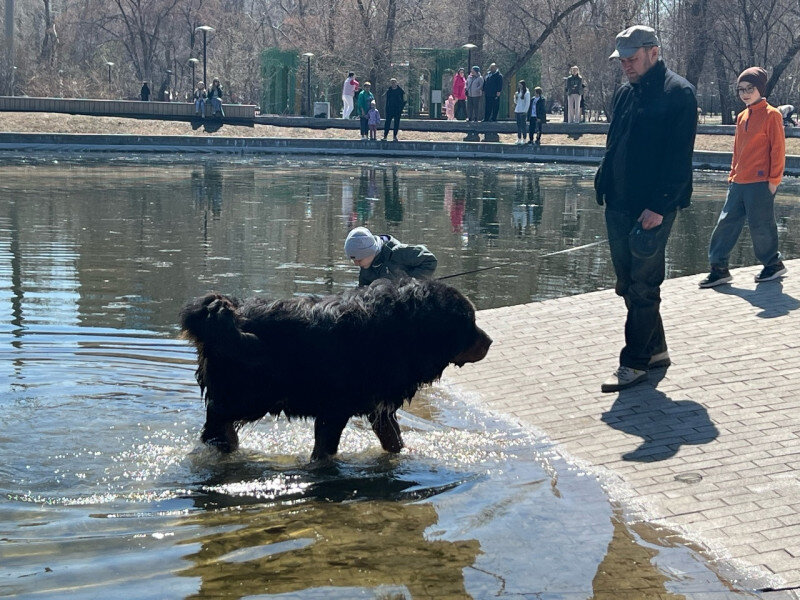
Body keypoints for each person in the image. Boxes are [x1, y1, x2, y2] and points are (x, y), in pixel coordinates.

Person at [593, 25, 698, 393]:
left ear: (654, 52)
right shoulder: (626, 91)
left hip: (652, 209)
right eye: (621, 60)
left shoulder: (679, 93)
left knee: (643, 285)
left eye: (632, 59)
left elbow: (679, 160)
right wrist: (603, 183)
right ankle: (656, 351)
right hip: (618, 203)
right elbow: (615, 143)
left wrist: (659, 206)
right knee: (627, 285)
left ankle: (634, 363)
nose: (626, 66)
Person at [699, 68, 787, 288]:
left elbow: (778, 150)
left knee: (761, 225)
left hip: (760, 182)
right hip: (738, 181)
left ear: (760, 89)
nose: (745, 93)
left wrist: (774, 180)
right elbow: (738, 149)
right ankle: (718, 268)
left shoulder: (772, 115)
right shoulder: (742, 116)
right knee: (725, 223)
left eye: (750, 88)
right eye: (741, 89)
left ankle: (772, 264)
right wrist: (732, 174)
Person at [344, 226, 438, 287]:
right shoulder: (365, 266)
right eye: (353, 260)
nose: (356, 264)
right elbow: (363, 288)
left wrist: (409, 283)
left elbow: (429, 260)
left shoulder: (398, 253)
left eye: (359, 260)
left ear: (370, 252)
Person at [513, 80, 530, 144]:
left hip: (523, 111)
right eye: (519, 85)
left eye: (520, 85)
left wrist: (525, 111)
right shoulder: (518, 92)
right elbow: (516, 102)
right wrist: (515, 97)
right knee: (518, 126)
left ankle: (524, 139)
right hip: (517, 110)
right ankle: (519, 139)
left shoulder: (527, 93)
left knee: (523, 126)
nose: (519, 86)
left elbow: (527, 103)